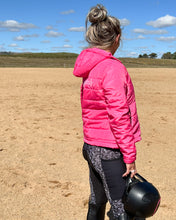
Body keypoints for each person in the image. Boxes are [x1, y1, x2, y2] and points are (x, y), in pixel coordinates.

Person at [73, 4, 143, 220]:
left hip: (91, 145)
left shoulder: (91, 67)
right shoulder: (113, 68)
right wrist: (129, 154)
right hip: (109, 150)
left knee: (97, 200)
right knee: (123, 210)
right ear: (117, 38)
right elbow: (119, 115)